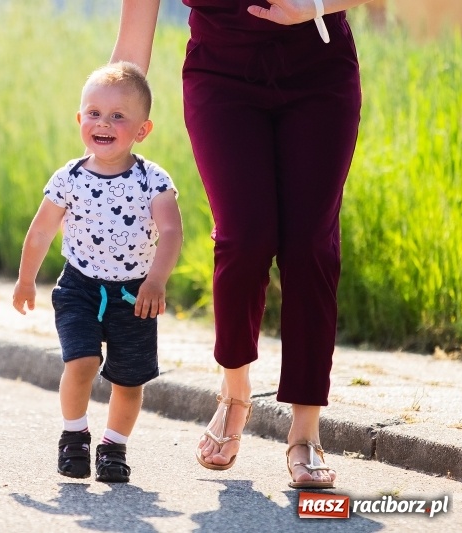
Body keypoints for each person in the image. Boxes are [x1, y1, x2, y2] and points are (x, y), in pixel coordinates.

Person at [110, 0, 373, 488]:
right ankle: (234, 392)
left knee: (311, 244)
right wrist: (109, 117)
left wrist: (312, 6)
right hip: (221, 77)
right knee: (244, 237)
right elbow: (132, 43)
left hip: (319, 70)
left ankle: (305, 432)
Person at [12, 62, 183, 483]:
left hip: (134, 295)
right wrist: (25, 278)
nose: (102, 123)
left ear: (142, 130)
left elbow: (172, 230)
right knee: (82, 360)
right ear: (79, 119)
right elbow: (41, 232)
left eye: (118, 117)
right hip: (79, 288)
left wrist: (156, 280)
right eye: (93, 113)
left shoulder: (153, 179)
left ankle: (113, 446)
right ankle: (74, 437)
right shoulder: (67, 178)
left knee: (129, 378)